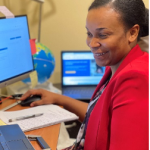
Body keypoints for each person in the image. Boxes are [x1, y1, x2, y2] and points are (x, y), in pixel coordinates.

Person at [21, 0, 149, 149]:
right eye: (89, 33)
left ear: (132, 33)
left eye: (103, 35)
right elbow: (99, 117)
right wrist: (57, 98)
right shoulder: (115, 64)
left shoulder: (135, 78)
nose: (92, 43)